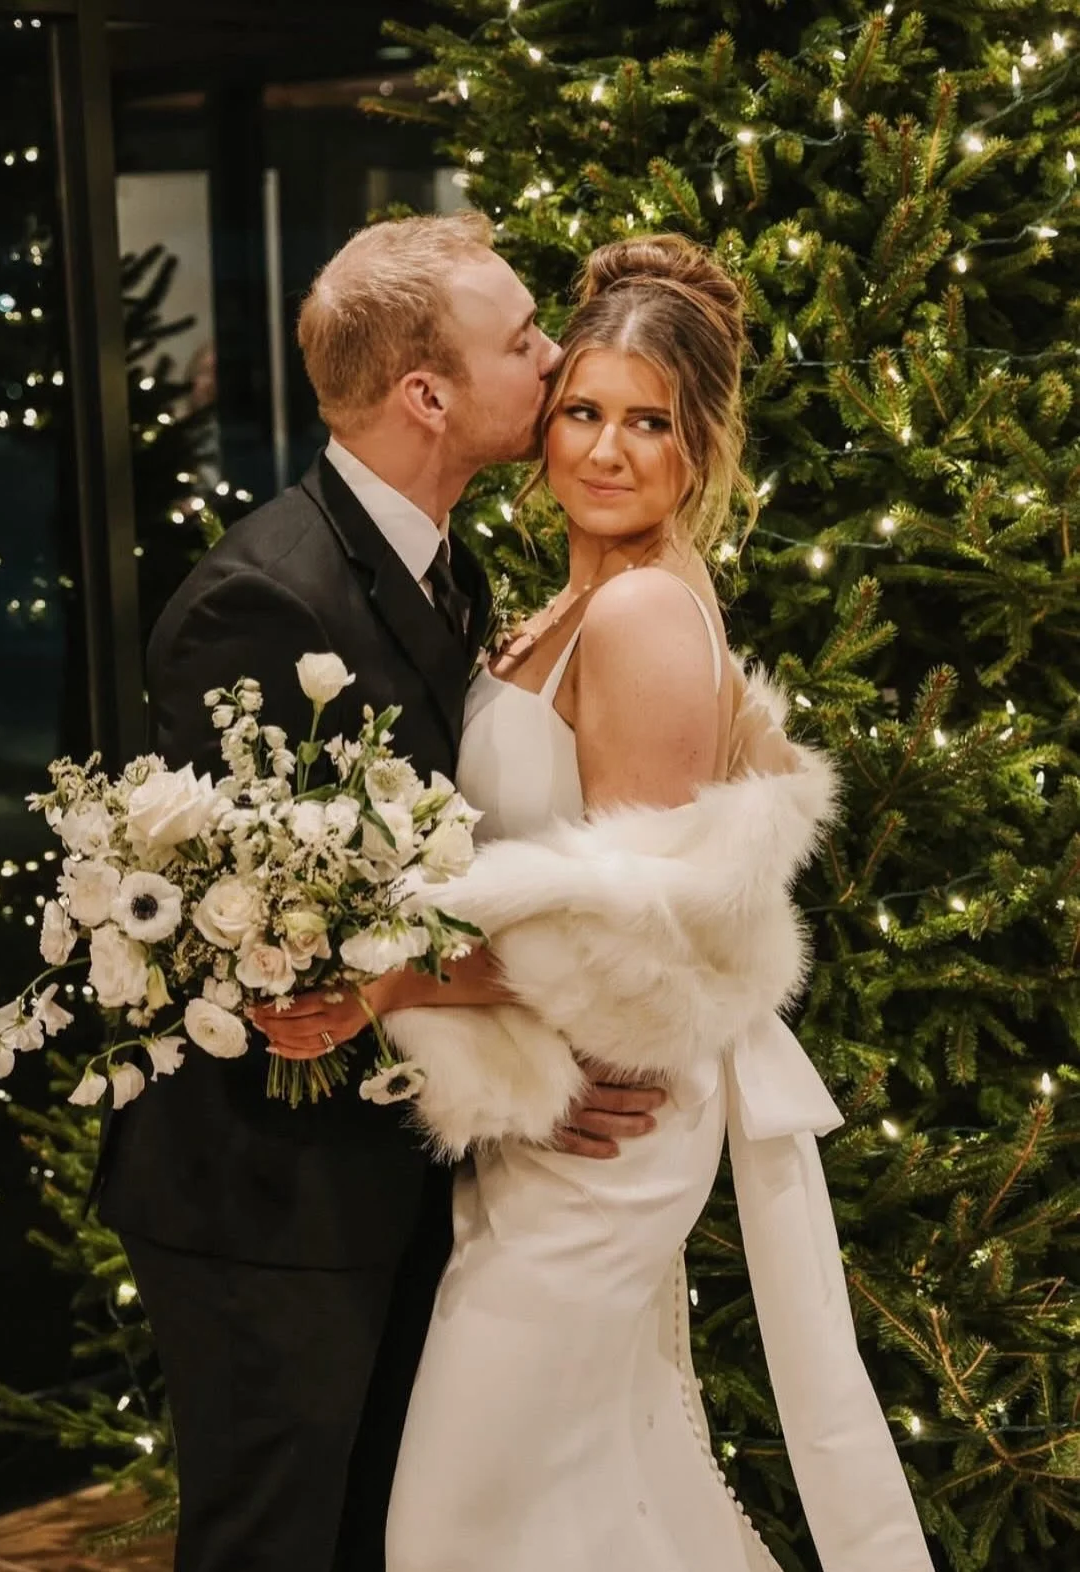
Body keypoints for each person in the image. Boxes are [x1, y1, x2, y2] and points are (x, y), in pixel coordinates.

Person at [265, 235, 935, 1571]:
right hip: (541, 1111)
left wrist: (391, 986)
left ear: (700, 449)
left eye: (650, 423)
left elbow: (633, 942)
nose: (607, 450)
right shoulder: (562, 609)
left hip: (606, 1138)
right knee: (577, 1501)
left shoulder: (639, 620)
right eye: (582, 410)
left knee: (453, 1527)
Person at [92, 213, 666, 1572]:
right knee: (277, 1541)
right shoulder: (261, 601)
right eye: (521, 342)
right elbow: (278, 949)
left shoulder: (445, 561)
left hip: (392, 1165)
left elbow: (418, 891)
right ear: (428, 395)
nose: (552, 357)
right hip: (270, 1193)